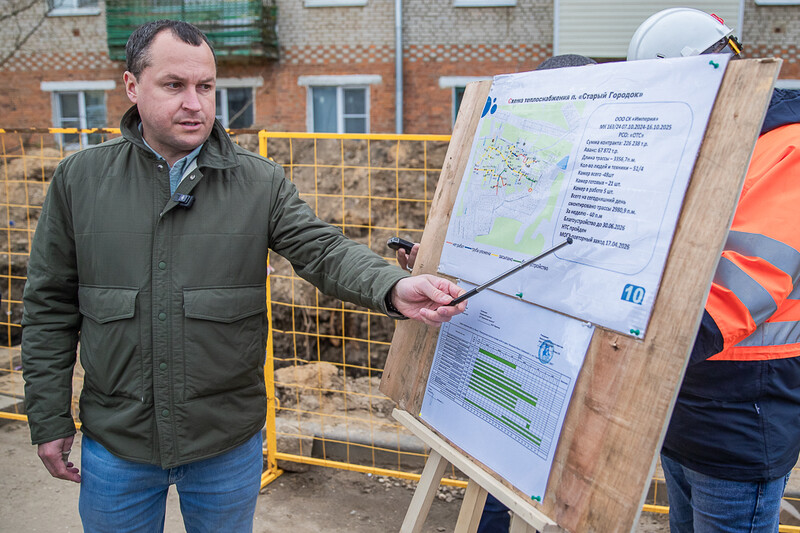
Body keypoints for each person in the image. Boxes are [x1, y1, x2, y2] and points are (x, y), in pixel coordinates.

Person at [21, 20, 466, 532]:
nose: (194, 103)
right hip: (117, 442)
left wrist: (392, 286)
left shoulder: (258, 181)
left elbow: (323, 250)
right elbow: (49, 308)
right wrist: (48, 418)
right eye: (174, 85)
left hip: (226, 444)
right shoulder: (79, 180)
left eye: (206, 86)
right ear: (132, 86)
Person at [397, 53, 598, 533]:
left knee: (547, 488)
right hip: (496, 344)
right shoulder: (515, 162)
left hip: (560, 357)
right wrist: (432, 260)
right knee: (486, 467)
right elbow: (485, 241)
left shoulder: (590, 179)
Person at [628, 8, 800, 533]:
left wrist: (634, 341)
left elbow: (749, 280)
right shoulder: (707, 142)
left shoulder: (785, 146)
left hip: (743, 403)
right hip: (683, 397)